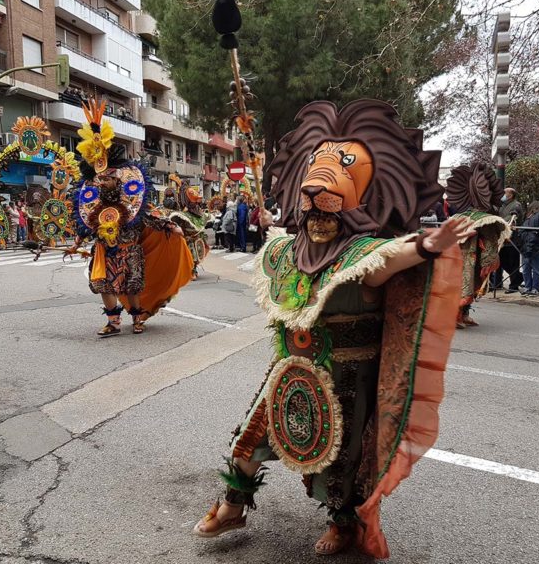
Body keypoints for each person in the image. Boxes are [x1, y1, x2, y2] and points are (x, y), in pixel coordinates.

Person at [192, 99, 474, 558]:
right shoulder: (287, 250)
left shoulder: (363, 253)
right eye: (311, 195)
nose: (316, 206)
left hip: (348, 377)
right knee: (248, 436)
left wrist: (426, 244)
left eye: (330, 195)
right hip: (289, 365)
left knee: (341, 463)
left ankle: (343, 524)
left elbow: (392, 258)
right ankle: (233, 504)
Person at [66, 99, 194, 336]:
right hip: (104, 251)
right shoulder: (93, 203)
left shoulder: (131, 199)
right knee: (102, 284)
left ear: (118, 178)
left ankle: (137, 319)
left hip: (130, 250)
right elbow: (86, 226)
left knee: (131, 285)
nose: (102, 181)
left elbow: (147, 217)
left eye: (107, 178)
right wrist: (75, 244)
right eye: (100, 178)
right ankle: (113, 323)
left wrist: (169, 227)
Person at [444, 163, 510, 328]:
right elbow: (490, 240)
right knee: (465, 286)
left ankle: (463, 313)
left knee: (466, 286)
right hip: (466, 259)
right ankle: (455, 316)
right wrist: (490, 258)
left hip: (465, 258)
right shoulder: (484, 219)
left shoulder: (461, 216)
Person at [519, 201, 539, 295]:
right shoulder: (530, 216)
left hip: (537, 244)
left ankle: (534, 288)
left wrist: (536, 231)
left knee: (535, 268)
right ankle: (528, 287)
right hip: (528, 244)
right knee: (526, 268)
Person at [497, 187, 525, 293]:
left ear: (511, 195)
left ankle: (514, 285)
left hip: (512, 238)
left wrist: (498, 222)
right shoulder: (502, 205)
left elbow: (510, 219)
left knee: (513, 262)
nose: (503, 194)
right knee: (502, 261)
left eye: (505, 193)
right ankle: (518, 277)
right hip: (503, 238)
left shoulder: (516, 205)